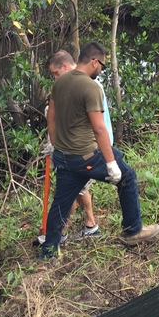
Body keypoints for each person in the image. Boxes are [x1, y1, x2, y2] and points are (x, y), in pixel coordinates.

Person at [41, 41, 159, 259]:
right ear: (94, 61)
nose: (102, 71)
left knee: (61, 203)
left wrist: (56, 145)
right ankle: (133, 231)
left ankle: (48, 251)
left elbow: (51, 117)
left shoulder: (59, 83)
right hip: (85, 155)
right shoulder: (91, 87)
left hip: (64, 157)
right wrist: (111, 164)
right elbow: (99, 128)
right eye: (103, 67)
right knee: (127, 176)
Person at [42, 50, 108, 239]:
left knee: (70, 190)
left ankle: (60, 232)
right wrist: (53, 143)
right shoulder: (64, 86)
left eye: (55, 73)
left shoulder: (88, 86)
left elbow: (100, 125)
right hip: (69, 150)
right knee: (79, 188)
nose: (55, 78)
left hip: (87, 150)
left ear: (64, 66)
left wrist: (106, 153)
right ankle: (90, 225)